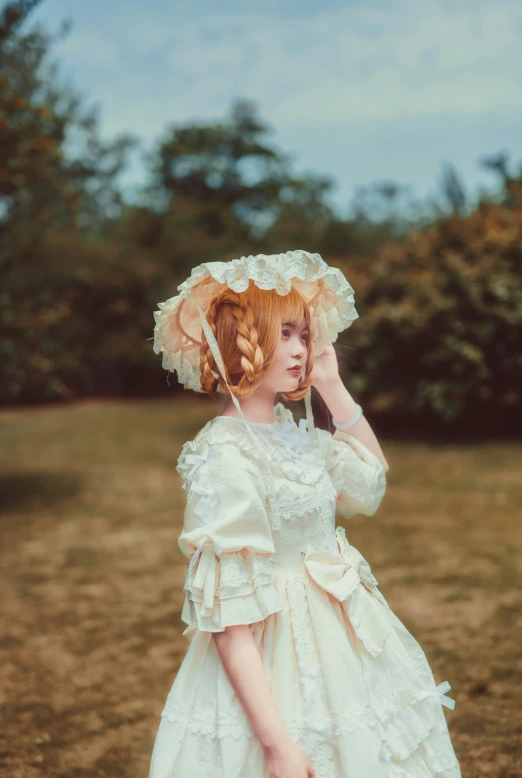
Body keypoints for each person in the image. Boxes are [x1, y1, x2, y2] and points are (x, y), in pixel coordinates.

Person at [148, 251, 462, 778]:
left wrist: (332, 388)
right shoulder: (227, 455)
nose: (301, 349)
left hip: (340, 635)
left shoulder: (296, 437)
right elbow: (230, 623)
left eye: (302, 334)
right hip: (278, 647)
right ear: (243, 345)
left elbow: (371, 480)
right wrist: (277, 747)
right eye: (285, 335)